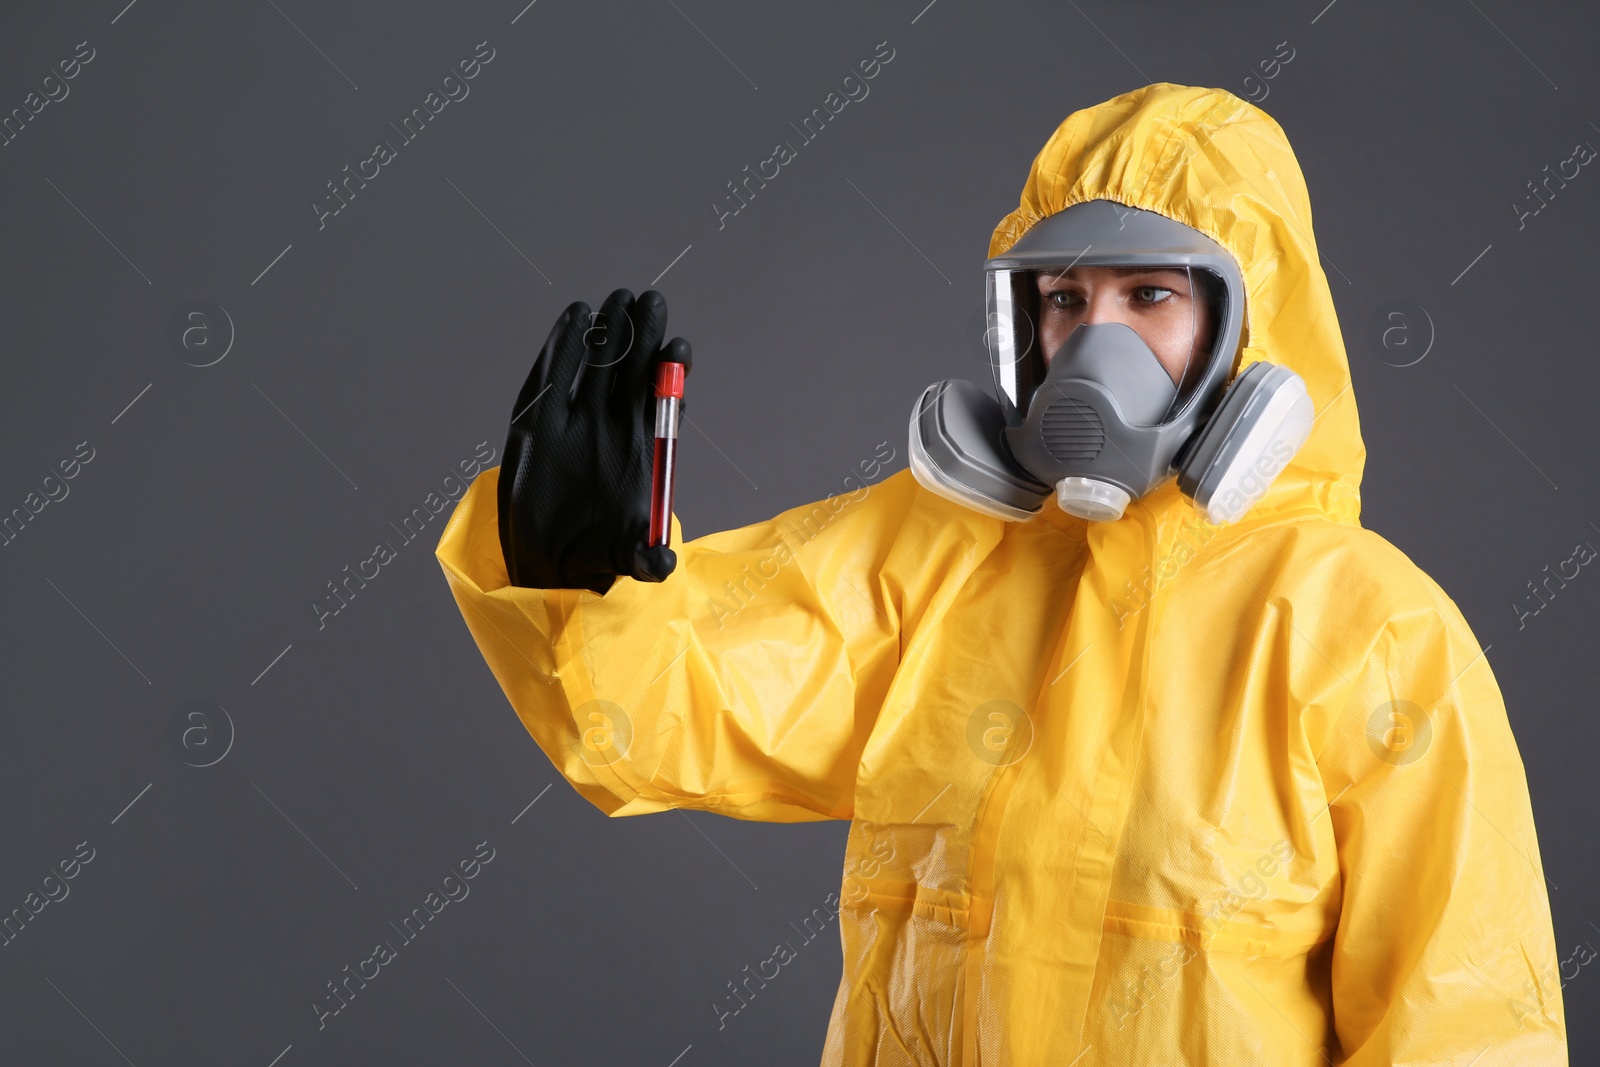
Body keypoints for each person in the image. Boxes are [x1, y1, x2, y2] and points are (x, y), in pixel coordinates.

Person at [436, 83, 1567, 1065]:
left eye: (1149, 296)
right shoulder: (938, 559)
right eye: (1065, 298)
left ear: (1245, 320)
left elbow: (1462, 1023)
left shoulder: (1366, 632)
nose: (1091, 344)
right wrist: (578, 576)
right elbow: (677, 706)